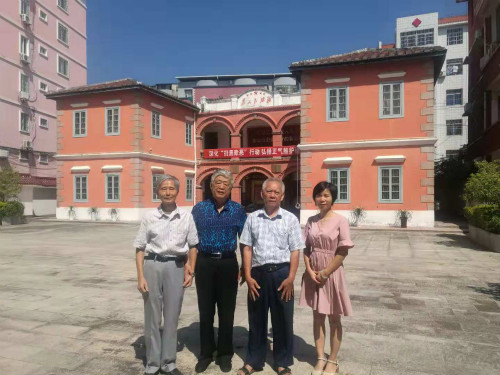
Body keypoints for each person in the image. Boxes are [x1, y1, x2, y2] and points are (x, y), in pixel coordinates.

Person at [238, 178, 305, 375]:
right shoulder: (252, 218)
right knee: (256, 319)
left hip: (282, 274)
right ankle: (253, 361)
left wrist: (291, 277)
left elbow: (295, 250)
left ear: (282, 196)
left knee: (283, 319)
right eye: (269, 191)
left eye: (276, 192)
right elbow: (247, 248)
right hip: (258, 275)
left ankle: (283, 362)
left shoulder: (290, 219)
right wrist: (248, 276)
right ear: (262, 194)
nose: (272, 195)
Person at [134, 174, 198, 375]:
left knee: (171, 316)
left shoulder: (186, 217)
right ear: (157, 191)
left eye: (171, 188)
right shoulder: (149, 217)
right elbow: (140, 247)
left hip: (176, 268)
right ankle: (152, 363)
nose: (168, 192)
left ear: (177, 191)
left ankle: (169, 362)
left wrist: (191, 270)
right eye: (163, 189)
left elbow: (193, 245)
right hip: (152, 266)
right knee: (152, 315)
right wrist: (140, 276)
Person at [191, 169, 247, 373]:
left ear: (231, 187)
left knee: (227, 310)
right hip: (204, 263)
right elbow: (191, 241)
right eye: (218, 182)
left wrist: (245, 267)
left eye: (226, 183)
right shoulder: (199, 209)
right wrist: (190, 265)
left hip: (227, 264)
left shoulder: (238, 210)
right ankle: (206, 353)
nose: (221, 186)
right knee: (205, 310)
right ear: (211, 186)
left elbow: (245, 242)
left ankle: (225, 353)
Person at [299, 181, 354, 375]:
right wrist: (309, 270)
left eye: (326, 195)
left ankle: (333, 360)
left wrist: (325, 272)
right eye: (319, 195)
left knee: (334, 318)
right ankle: (320, 357)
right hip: (313, 273)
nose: (322, 199)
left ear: (333, 198)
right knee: (317, 316)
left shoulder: (341, 220)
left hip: (332, 273)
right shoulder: (311, 221)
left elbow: (343, 251)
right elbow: (305, 248)